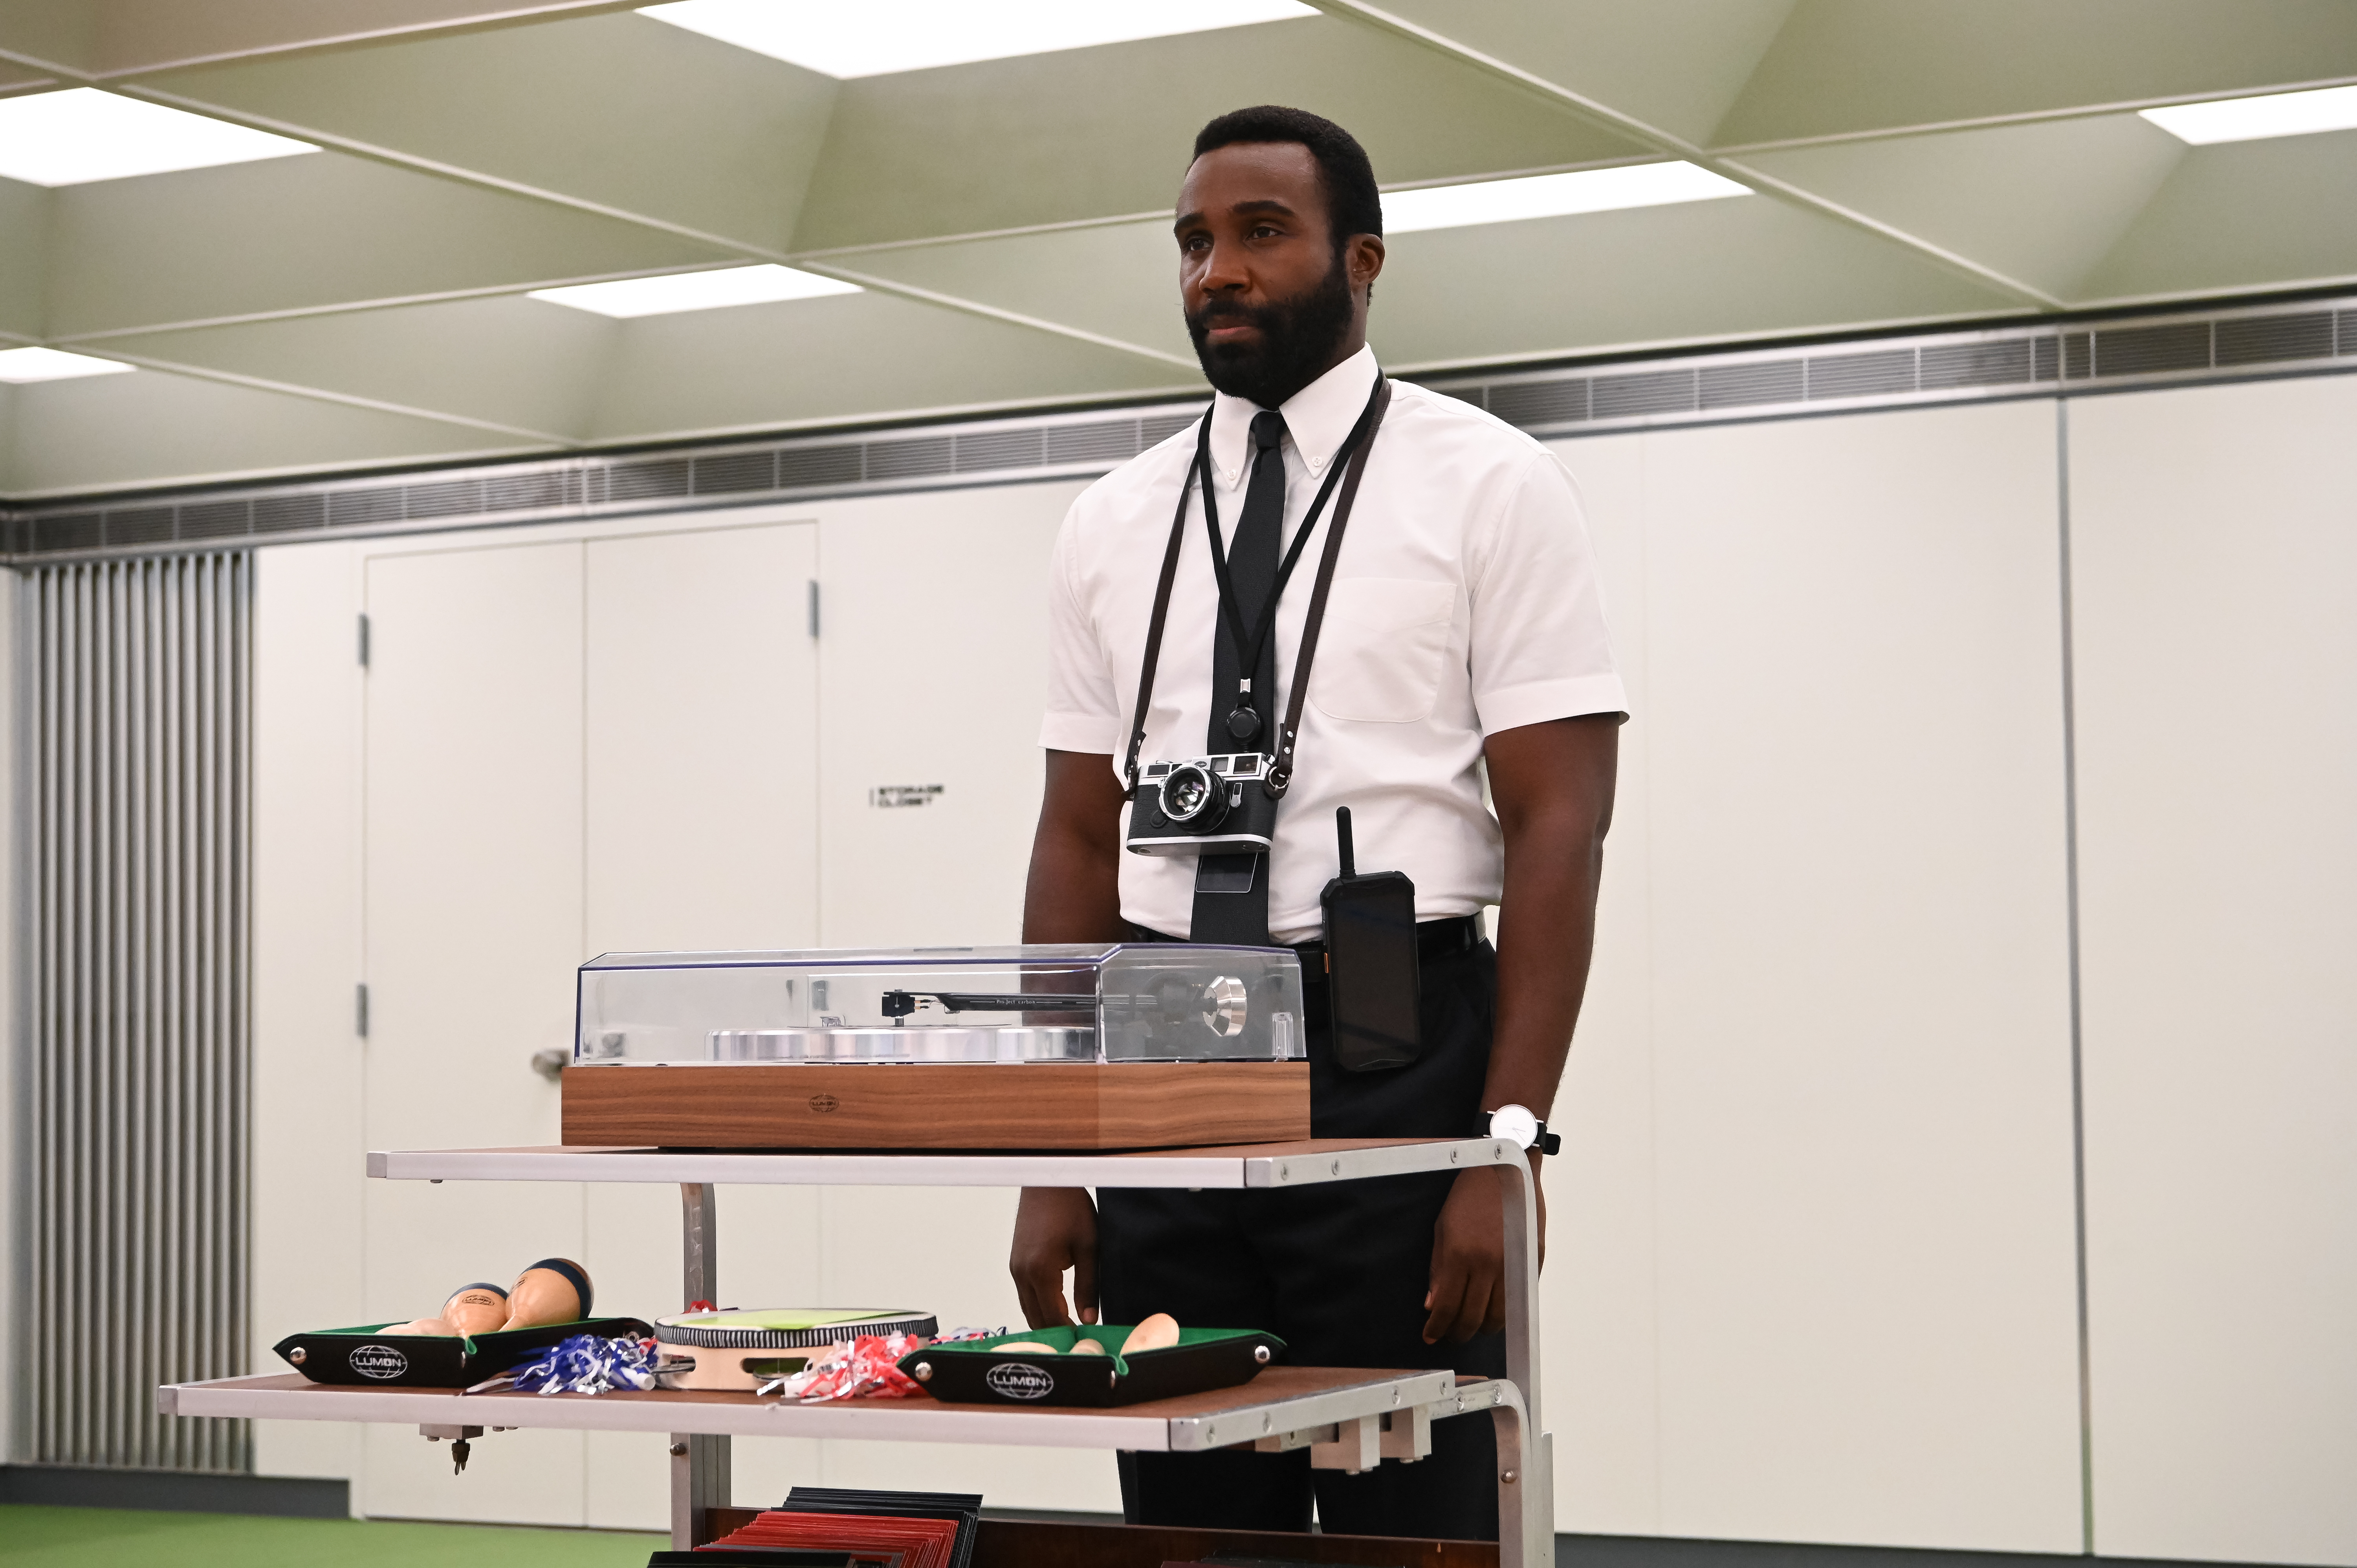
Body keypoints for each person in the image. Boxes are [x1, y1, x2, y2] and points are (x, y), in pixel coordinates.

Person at [1008, 104, 1623, 1541]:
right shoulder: (1113, 519)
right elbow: (1076, 843)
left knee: (1418, 1502)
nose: (1214, 269)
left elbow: (1560, 827)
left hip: (1395, 1051)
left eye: (1259, 234)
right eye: (1192, 242)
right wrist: (1054, 1156)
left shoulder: (1492, 486)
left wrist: (1505, 1146)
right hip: (1164, 1068)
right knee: (1189, 1506)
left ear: (1363, 262)